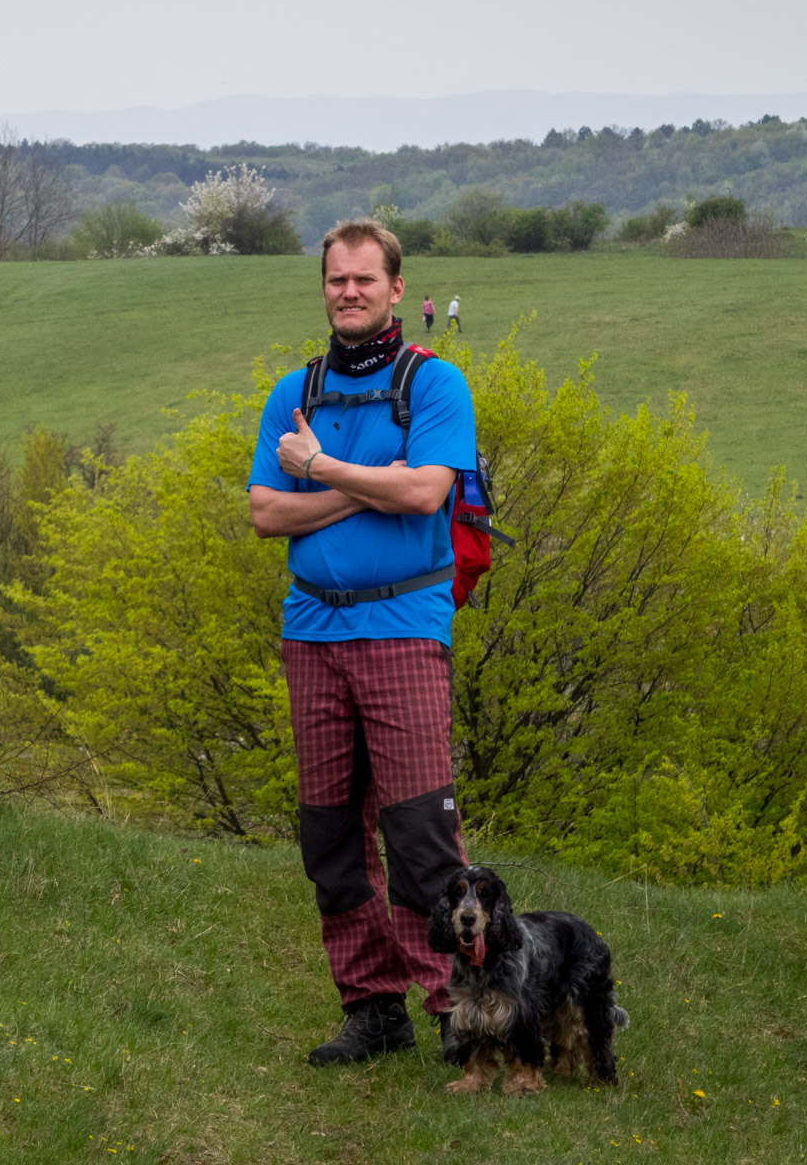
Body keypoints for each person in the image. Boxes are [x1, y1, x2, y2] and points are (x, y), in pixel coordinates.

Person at [247, 219, 477, 1066]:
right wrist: (359, 488)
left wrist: (323, 471)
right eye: (336, 280)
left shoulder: (435, 383)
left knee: (420, 830)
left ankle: (460, 1008)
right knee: (331, 831)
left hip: (403, 626)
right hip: (311, 628)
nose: (349, 292)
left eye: (365, 280)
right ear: (325, 288)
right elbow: (266, 513)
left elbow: (424, 494)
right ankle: (373, 1007)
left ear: (393, 287)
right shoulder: (292, 390)